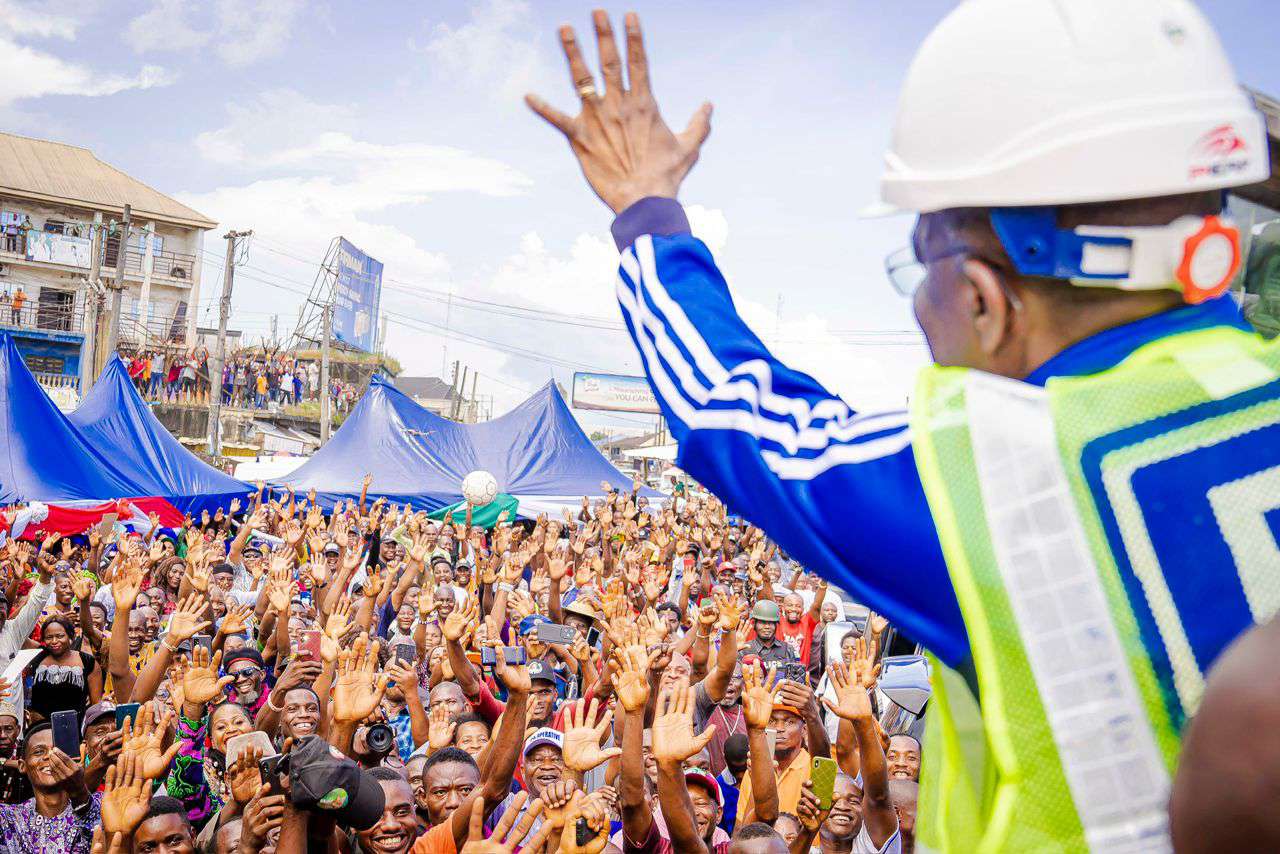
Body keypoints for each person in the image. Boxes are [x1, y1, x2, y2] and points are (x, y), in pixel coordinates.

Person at [527, 4, 1278, 849]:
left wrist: (646, 212)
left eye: (916, 272)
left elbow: (724, 407)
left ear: (986, 301)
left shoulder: (1002, 475)